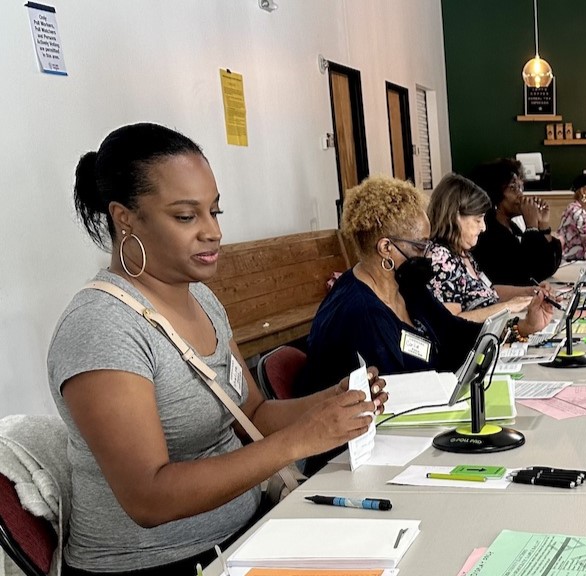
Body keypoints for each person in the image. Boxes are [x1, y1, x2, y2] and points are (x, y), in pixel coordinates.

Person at [49, 123, 387, 576]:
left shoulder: (201, 299)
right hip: (156, 564)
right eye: (187, 217)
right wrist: (300, 440)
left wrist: (334, 401)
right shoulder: (102, 327)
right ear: (124, 218)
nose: (213, 232)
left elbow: (255, 415)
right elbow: (149, 497)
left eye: (215, 211)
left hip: (245, 534)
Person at [297, 176, 553, 398]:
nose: (428, 254)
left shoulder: (406, 285)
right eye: (420, 246)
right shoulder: (358, 312)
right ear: (386, 248)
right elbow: (397, 389)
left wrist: (521, 328)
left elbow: (453, 333)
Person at [425, 172, 556, 325]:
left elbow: (488, 291)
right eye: (478, 219)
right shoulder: (440, 259)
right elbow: (451, 322)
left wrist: (530, 292)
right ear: (454, 217)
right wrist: (508, 307)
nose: (483, 227)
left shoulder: (462, 253)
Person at [469, 158, 562, 285]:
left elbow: (546, 268)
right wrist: (531, 227)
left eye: (521, 187)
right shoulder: (488, 232)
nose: (521, 195)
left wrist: (543, 225)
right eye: (513, 188)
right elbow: (527, 273)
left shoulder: (512, 227)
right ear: (495, 192)